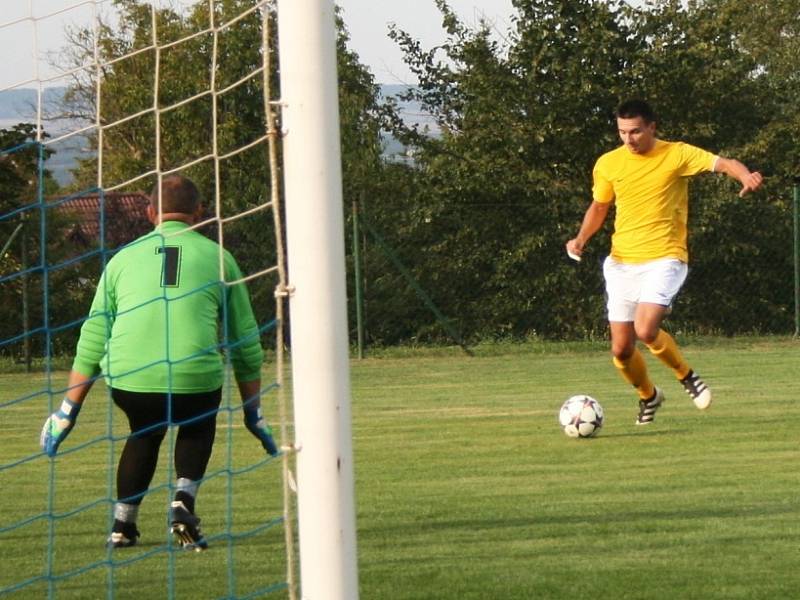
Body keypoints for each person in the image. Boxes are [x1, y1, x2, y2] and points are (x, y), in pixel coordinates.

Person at [40, 174, 278, 551]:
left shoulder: (121, 260)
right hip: (194, 380)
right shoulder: (220, 259)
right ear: (199, 212)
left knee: (145, 432)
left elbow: (93, 338)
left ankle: (123, 526)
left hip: (132, 382)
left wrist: (67, 410)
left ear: (151, 213)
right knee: (198, 426)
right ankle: (183, 503)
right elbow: (245, 342)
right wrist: (254, 413)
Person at [566, 99, 763, 425]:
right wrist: (580, 239)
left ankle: (687, 376)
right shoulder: (608, 163)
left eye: (636, 131)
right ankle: (648, 396)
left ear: (652, 127)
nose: (629, 139)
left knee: (646, 329)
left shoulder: (677, 154)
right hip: (621, 263)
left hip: (665, 258)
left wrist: (745, 177)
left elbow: (725, 163)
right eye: (622, 132)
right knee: (621, 350)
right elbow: (599, 207)